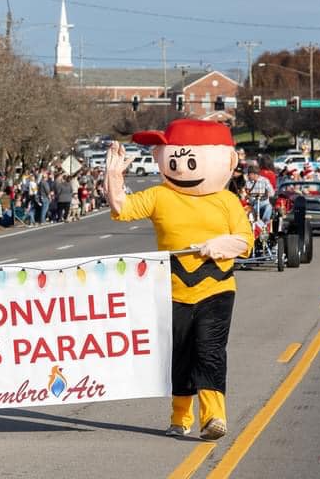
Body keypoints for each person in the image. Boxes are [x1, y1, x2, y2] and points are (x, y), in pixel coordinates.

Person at [105, 119, 253, 441]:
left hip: (217, 286)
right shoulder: (160, 195)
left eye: (190, 161)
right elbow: (122, 209)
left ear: (226, 161)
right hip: (171, 289)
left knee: (209, 349)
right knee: (180, 353)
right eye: (174, 160)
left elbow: (245, 240)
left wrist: (218, 246)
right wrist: (113, 177)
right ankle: (180, 416)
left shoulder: (227, 200)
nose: (182, 168)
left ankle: (214, 417)